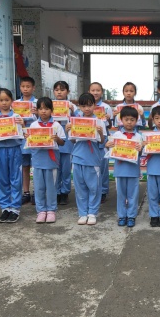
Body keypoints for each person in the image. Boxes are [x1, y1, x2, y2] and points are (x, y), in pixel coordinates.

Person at [0, 88, 25, 223]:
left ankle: (15, 209)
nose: (4, 103)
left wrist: (22, 125)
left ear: (12, 101)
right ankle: (5, 208)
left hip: (14, 150)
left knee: (15, 179)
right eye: (1, 100)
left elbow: (23, 133)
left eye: (6, 100)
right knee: (2, 179)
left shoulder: (17, 117)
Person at [69, 93, 106, 226]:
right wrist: (69, 130)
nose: (87, 108)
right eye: (83, 106)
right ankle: (82, 213)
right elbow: (73, 140)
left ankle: (92, 213)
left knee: (94, 187)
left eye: (90, 105)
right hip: (78, 158)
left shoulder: (99, 122)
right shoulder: (75, 121)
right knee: (80, 188)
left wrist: (100, 132)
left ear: (94, 105)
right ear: (79, 107)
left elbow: (102, 142)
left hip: (92, 158)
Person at [28, 97, 66, 224]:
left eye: (46, 108)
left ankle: (51, 210)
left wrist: (56, 139)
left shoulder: (56, 125)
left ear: (52, 110)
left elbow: (62, 142)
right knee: (38, 187)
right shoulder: (33, 125)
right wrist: (28, 137)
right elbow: (29, 142)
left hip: (51, 161)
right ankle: (41, 210)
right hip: (38, 161)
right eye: (40, 109)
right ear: (37, 110)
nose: (43, 111)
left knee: (51, 187)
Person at [106, 106, 143, 228]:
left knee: (133, 194)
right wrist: (108, 145)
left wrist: (140, 149)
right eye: (126, 119)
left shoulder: (138, 136)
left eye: (132, 120)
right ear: (121, 120)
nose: (129, 122)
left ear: (136, 121)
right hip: (120, 170)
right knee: (121, 194)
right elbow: (110, 149)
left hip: (133, 170)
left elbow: (141, 154)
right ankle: (122, 216)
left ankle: (131, 216)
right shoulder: (116, 135)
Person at [53, 80, 78, 206]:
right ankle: (57, 191)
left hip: (67, 141)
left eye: (62, 90)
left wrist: (73, 112)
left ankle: (65, 192)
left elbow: (80, 121)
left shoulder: (72, 106)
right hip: (54, 139)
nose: (59, 92)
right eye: (57, 90)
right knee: (56, 168)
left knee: (66, 169)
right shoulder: (50, 105)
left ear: (68, 91)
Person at [88, 82, 114, 203]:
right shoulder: (84, 106)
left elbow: (110, 125)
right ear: (89, 91)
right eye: (93, 90)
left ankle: (103, 190)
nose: (95, 92)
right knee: (91, 167)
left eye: (98, 90)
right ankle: (92, 190)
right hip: (89, 140)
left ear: (102, 92)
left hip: (102, 139)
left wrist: (108, 119)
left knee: (103, 166)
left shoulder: (106, 107)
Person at [18, 76, 38, 206]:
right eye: (23, 86)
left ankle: (37, 192)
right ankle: (26, 192)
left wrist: (37, 113)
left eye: (28, 86)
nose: (25, 89)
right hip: (22, 138)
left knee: (36, 166)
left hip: (36, 138)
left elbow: (45, 119)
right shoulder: (15, 104)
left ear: (33, 88)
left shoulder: (38, 103)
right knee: (25, 166)